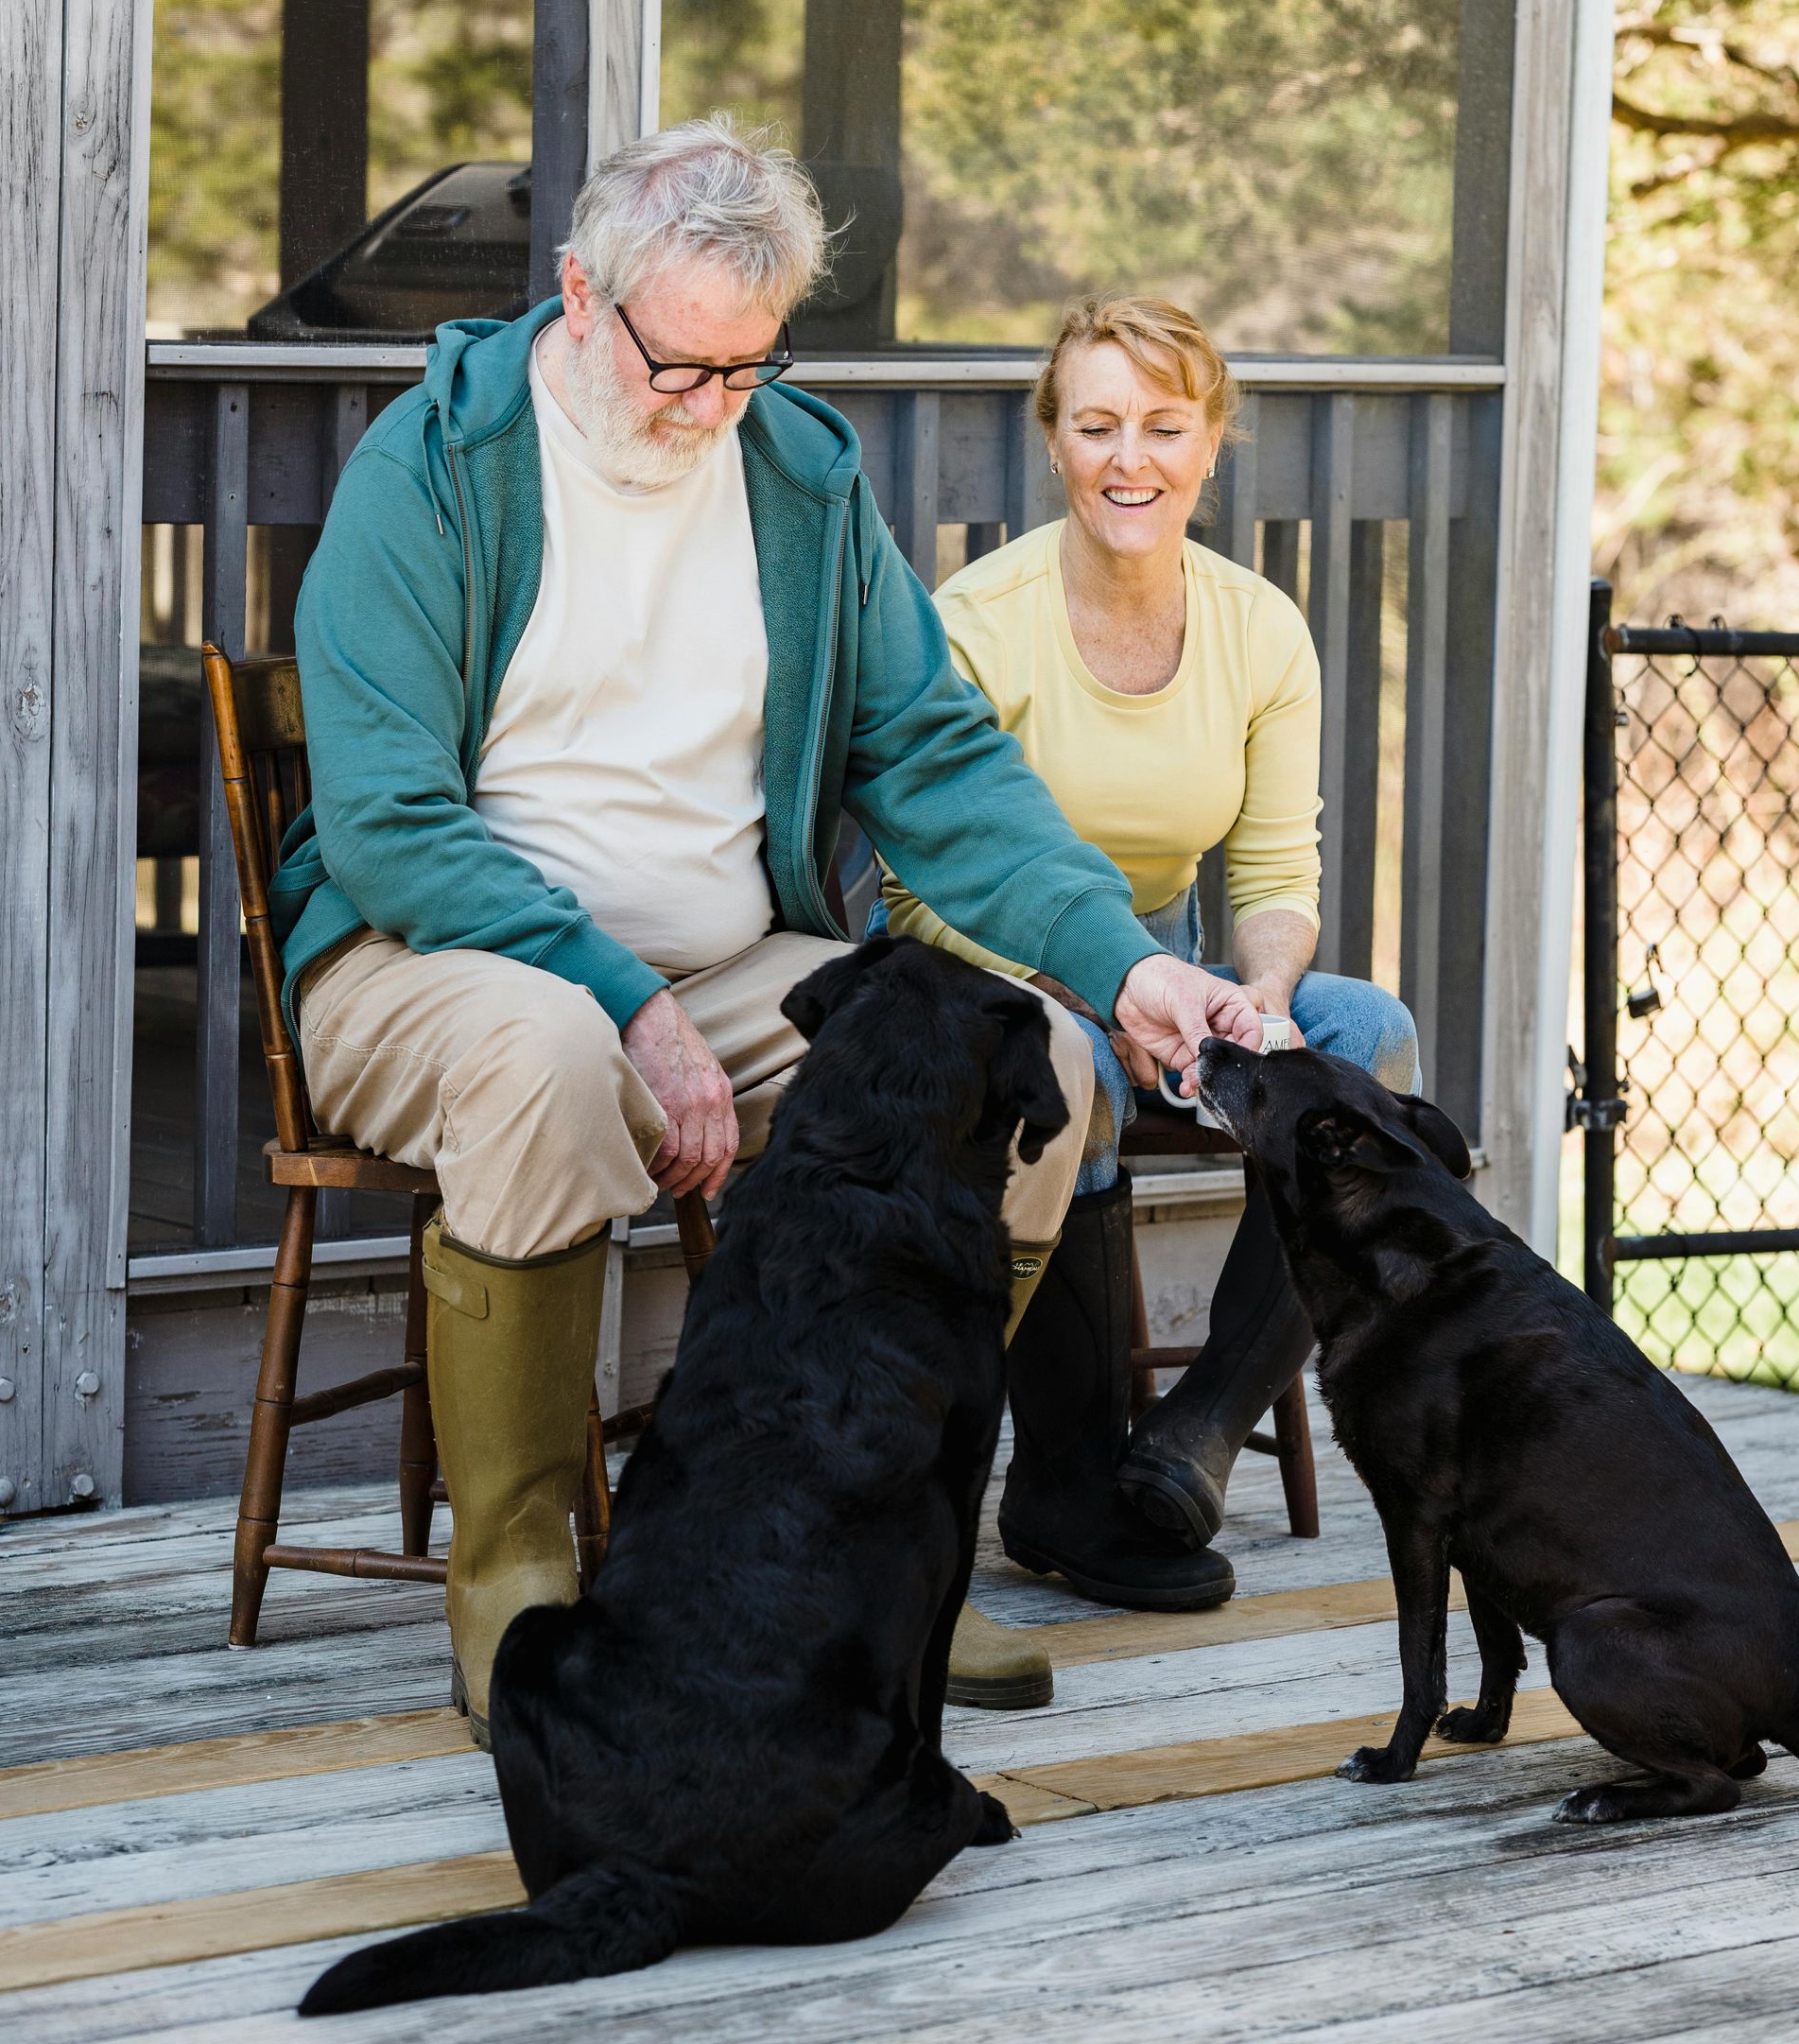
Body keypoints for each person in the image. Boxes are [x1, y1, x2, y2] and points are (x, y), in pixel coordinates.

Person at [269, 123, 1269, 1741]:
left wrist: (1126, 962)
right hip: (432, 960)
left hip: (727, 964)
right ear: (582, 299)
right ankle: (520, 1589)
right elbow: (390, 825)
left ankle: (853, 1567)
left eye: (750, 368)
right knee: (540, 1056)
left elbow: (936, 758)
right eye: (682, 368)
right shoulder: (434, 466)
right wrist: (623, 1007)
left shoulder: (795, 471)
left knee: (1029, 1073)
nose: (711, 408)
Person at [882, 294, 1419, 1701]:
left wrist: (1263, 994)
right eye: (1099, 424)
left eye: (1165, 427)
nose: (1133, 458)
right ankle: (1063, 1485)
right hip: (995, 970)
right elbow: (921, 881)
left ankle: (1193, 1440)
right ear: (1052, 441)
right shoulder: (979, 621)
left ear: (1211, 444)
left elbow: (1281, 865)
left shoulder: (1259, 628)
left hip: (1178, 955)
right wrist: (1105, 987)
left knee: (1373, 1042)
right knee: (1067, 1064)